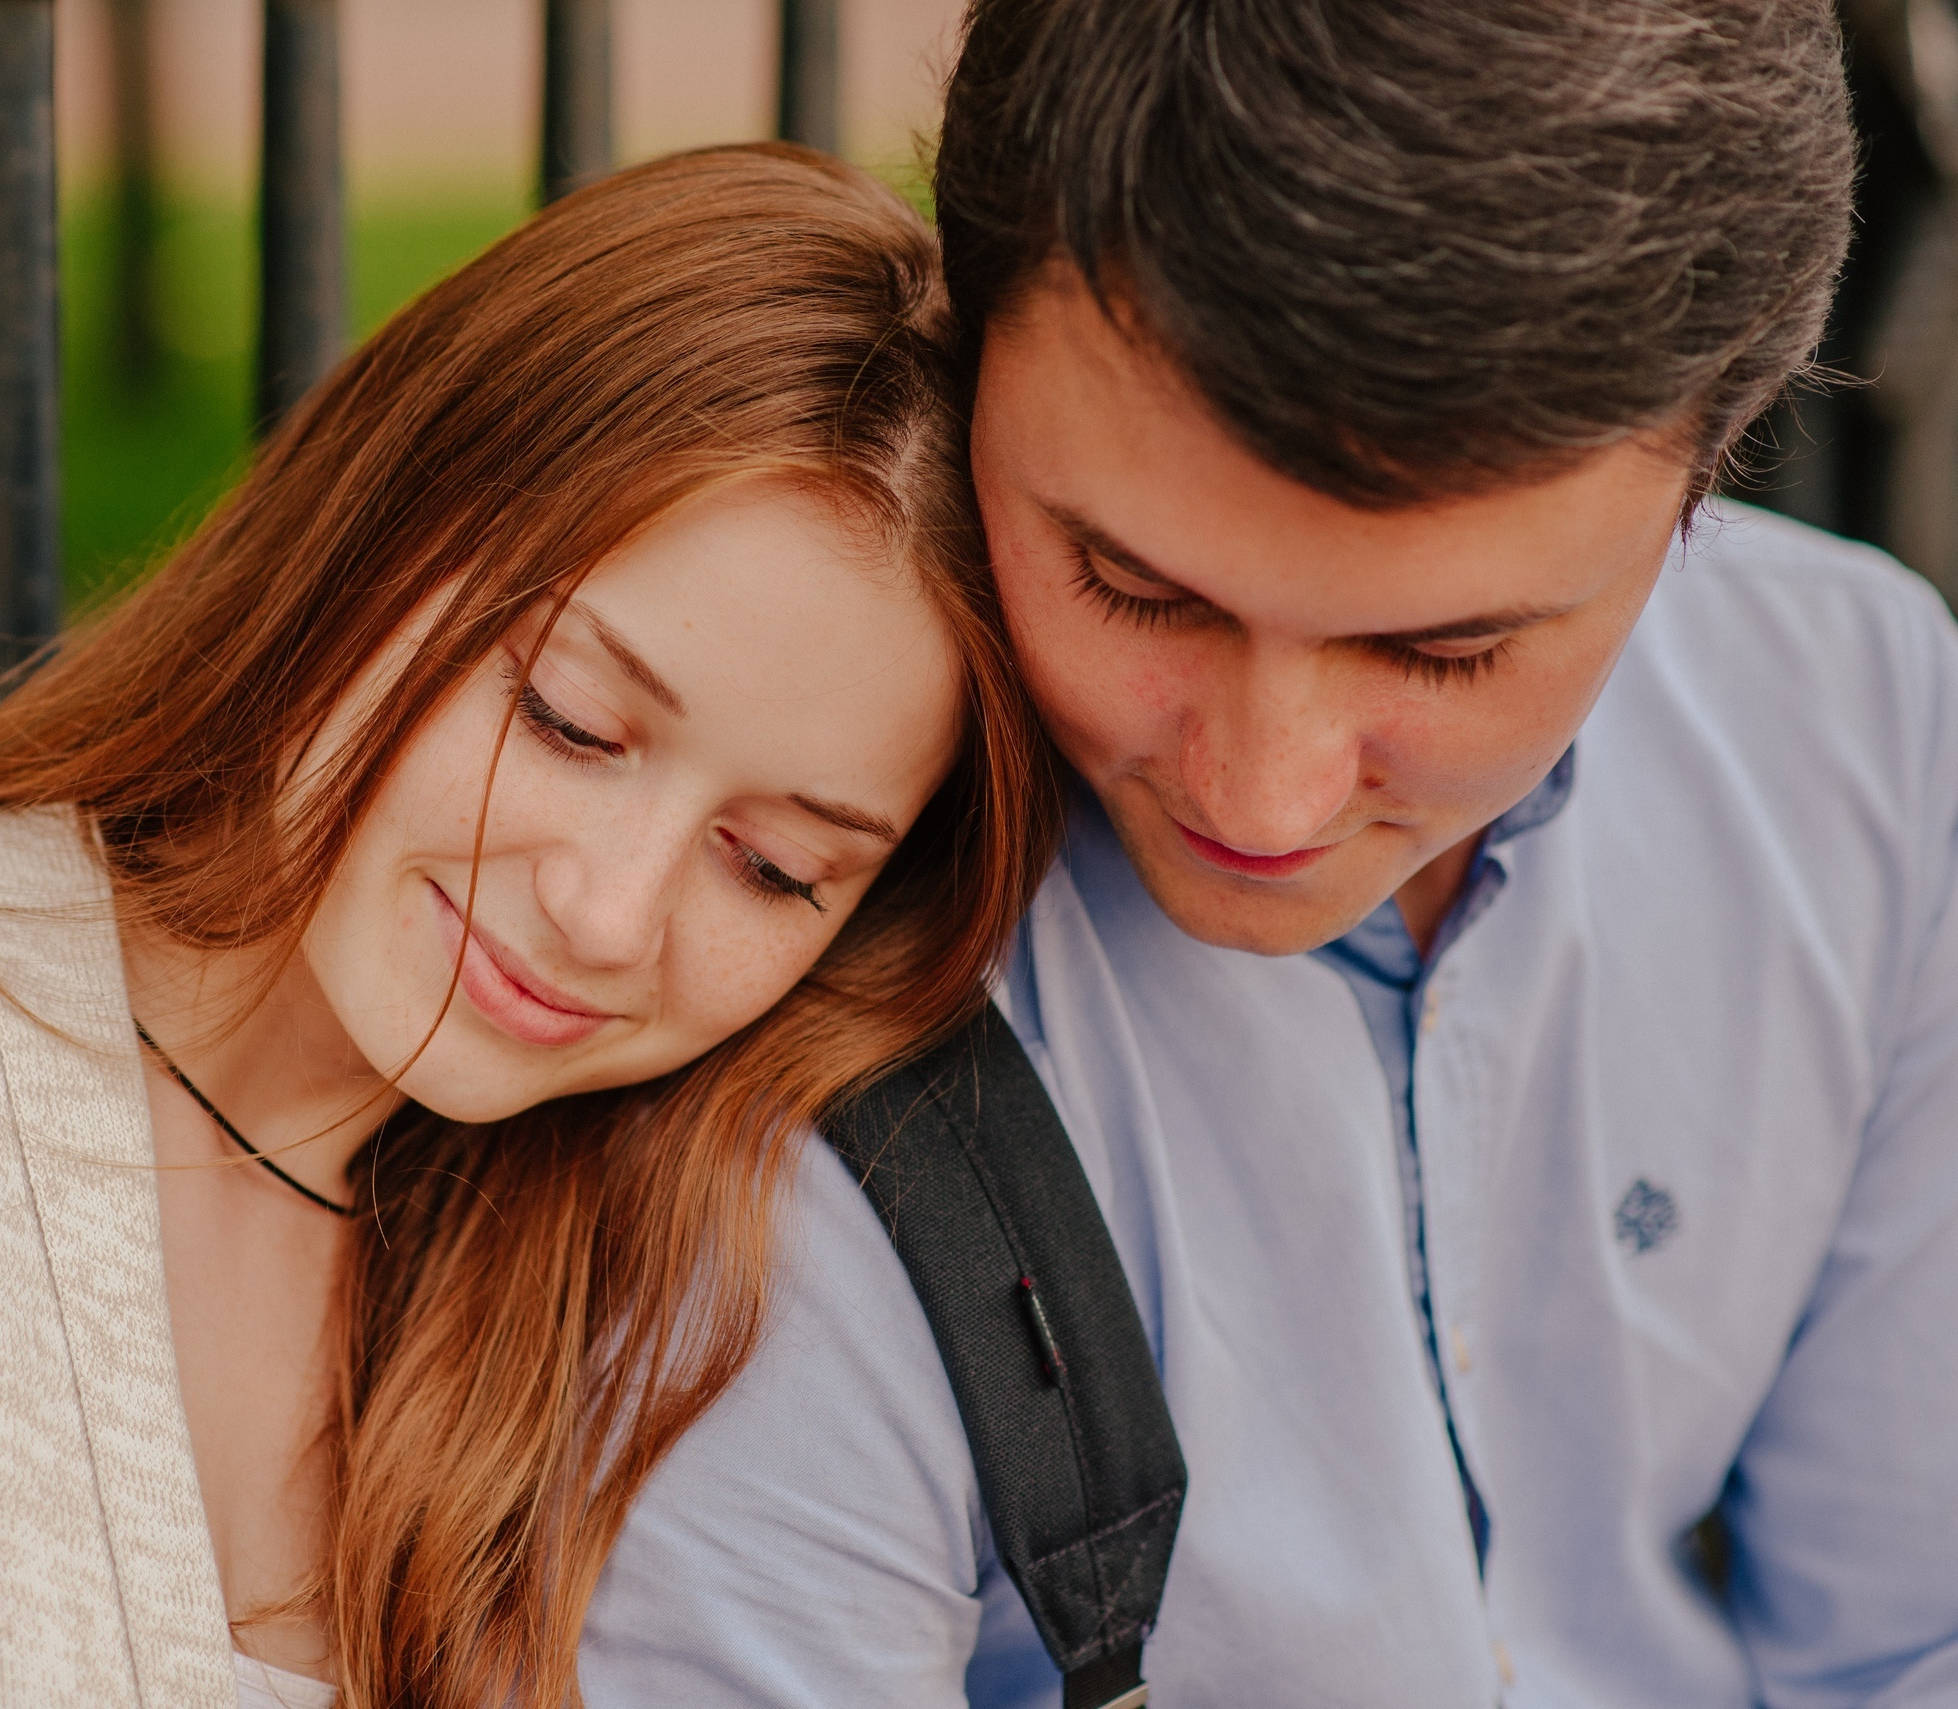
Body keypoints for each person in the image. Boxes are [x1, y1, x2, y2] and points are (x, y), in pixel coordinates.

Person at [0, 147, 1062, 1709]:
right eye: (567, 719)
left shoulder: (646, 1301)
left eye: (772, 866)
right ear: (380, 524)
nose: (609, 913)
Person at [578, 3, 1958, 1706]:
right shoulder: (739, 934)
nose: (1265, 796)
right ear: (972, 338)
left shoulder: (1862, 721)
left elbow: (1914, 1638)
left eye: (1445, 652)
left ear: (1711, 464)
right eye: (1134, 587)